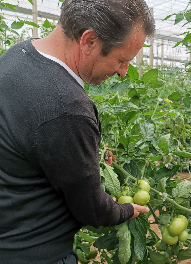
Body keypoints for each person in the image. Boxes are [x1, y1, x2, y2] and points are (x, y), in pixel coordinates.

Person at [0, 0, 154, 263]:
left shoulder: (15, 56)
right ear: (89, 41)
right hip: (35, 253)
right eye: (121, 59)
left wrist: (84, 158)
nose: (123, 72)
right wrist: (124, 210)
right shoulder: (67, 107)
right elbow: (91, 209)